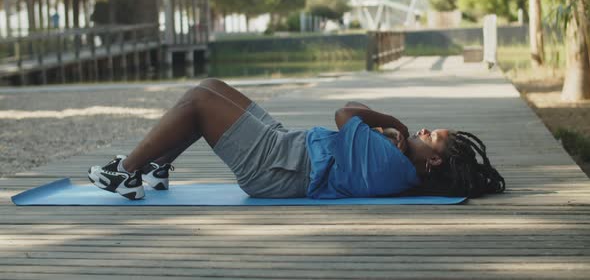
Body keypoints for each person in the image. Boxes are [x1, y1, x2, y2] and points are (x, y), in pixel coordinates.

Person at [88, 78, 506, 200]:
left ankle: (124, 172)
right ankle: (155, 169)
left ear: (432, 162)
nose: (422, 130)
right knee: (211, 87)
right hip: (289, 147)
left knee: (199, 100)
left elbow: (345, 112)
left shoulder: (392, 163)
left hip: (275, 165)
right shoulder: (395, 159)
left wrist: (390, 121)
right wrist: (387, 132)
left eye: (431, 137)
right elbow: (350, 122)